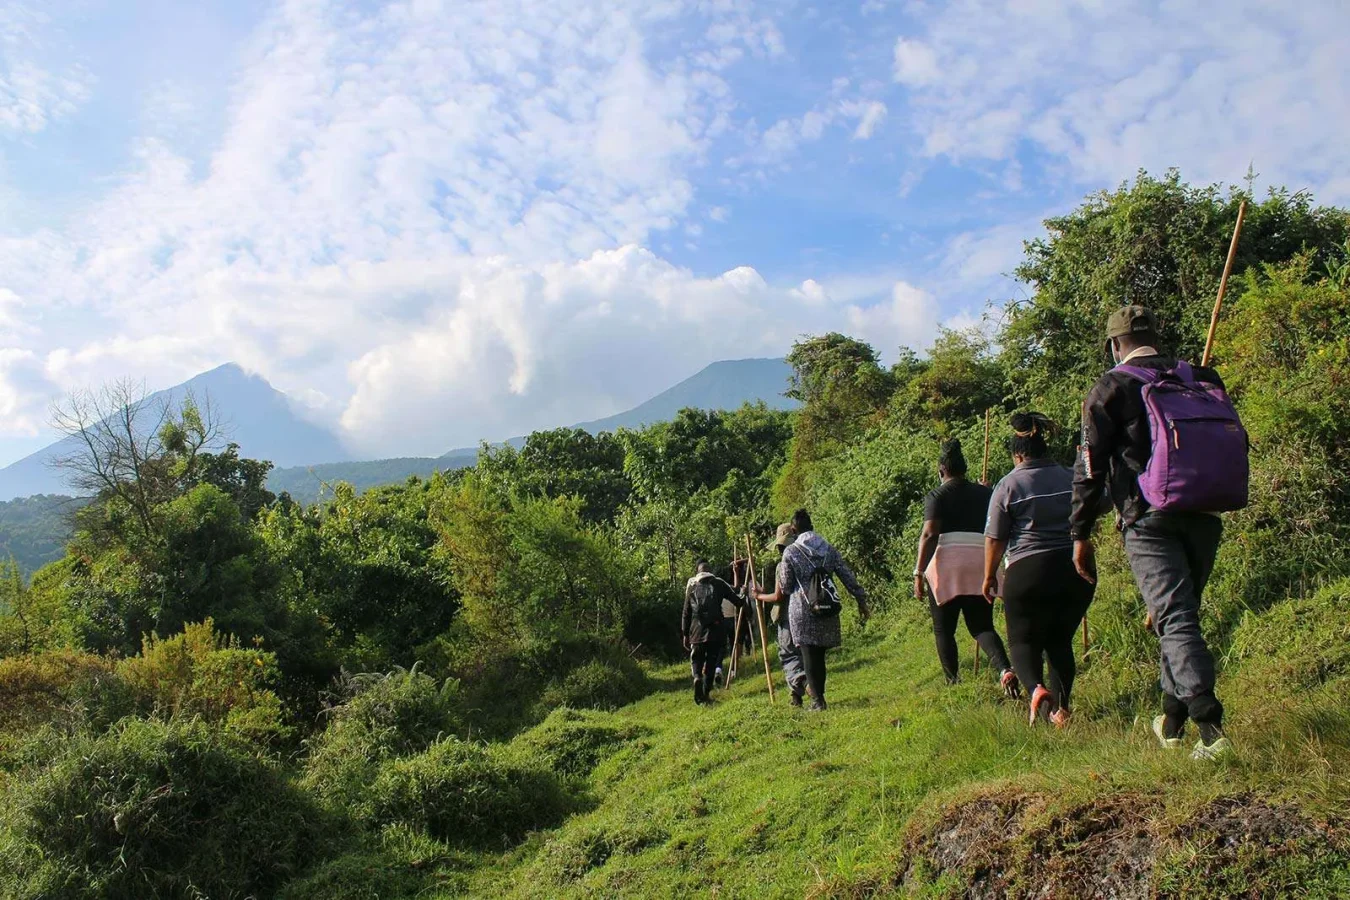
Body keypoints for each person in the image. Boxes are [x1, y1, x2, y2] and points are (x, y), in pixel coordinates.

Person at [1071, 305, 1239, 761]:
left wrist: (1080, 533)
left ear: (1113, 344)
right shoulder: (1200, 375)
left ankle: (1211, 728)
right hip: (1206, 509)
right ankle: (1171, 721)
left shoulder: (1111, 387)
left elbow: (1090, 469)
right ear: (1157, 335)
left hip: (1148, 518)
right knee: (1178, 615)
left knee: (1174, 618)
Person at [983, 413, 1095, 728]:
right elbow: (1096, 504)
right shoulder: (1070, 476)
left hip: (1028, 571)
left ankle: (1035, 689)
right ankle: (1060, 710)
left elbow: (995, 538)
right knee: (1060, 641)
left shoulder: (1008, 485)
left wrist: (990, 576)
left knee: (1022, 641)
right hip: (1076, 569)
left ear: (1018, 455)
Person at [915, 439, 1019, 695]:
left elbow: (930, 535)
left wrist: (918, 572)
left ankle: (953, 683)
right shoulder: (986, 493)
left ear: (941, 471)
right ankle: (1004, 669)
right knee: (981, 625)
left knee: (944, 629)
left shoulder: (936, 496)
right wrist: (985, 492)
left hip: (947, 565)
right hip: (980, 561)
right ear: (964, 468)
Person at [756, 509, 869, 711]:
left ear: (794, 529)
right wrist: (860, 599)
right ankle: (819, 697)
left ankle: (818, 702)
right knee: (820, 656)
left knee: (809, 656)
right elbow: (846, 575)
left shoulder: (791, 552)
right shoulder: (828, 549)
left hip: (802, 610)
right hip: (827, 607)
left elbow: (787, 586)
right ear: (812, 527)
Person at [756, 523, 809, 706]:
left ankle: (805, 685)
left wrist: (759, 596)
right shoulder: (806, 559)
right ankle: (796, 697)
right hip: (808, 615)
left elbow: (779, 596)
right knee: (803, 656)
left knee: (789, 656)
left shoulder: (784, 564)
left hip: (788, 618)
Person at [682, 560, 742, 705]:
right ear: (710, 571)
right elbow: (737, 601)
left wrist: (685, 634)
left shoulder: (691, 587)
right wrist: (745, 597)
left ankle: (697, 677)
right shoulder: (719, 584)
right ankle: (706, 693)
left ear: (698, 571)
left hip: (696, 631)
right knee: (711, 661)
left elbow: (686, 613)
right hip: (716, 630)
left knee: (696, 659)